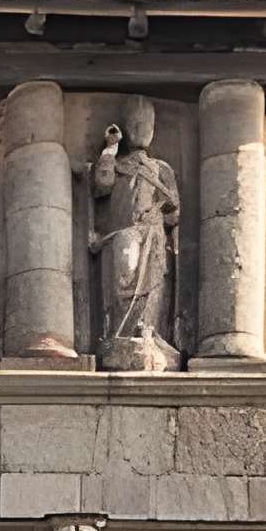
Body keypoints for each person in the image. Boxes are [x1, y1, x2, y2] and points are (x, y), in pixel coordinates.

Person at [89, 97, 181, 371]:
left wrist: (162, 211)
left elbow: (175, 212)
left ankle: (148, 334)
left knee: (153, 283)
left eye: (148, 125)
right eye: (136, 124)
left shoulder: (162, 169)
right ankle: (119, 335)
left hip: (152, 233)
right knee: (124, 274)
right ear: (126, 128)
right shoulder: (117, 166)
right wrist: (110, 149)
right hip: (124, 231)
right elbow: (101, 186)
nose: (143, 130)